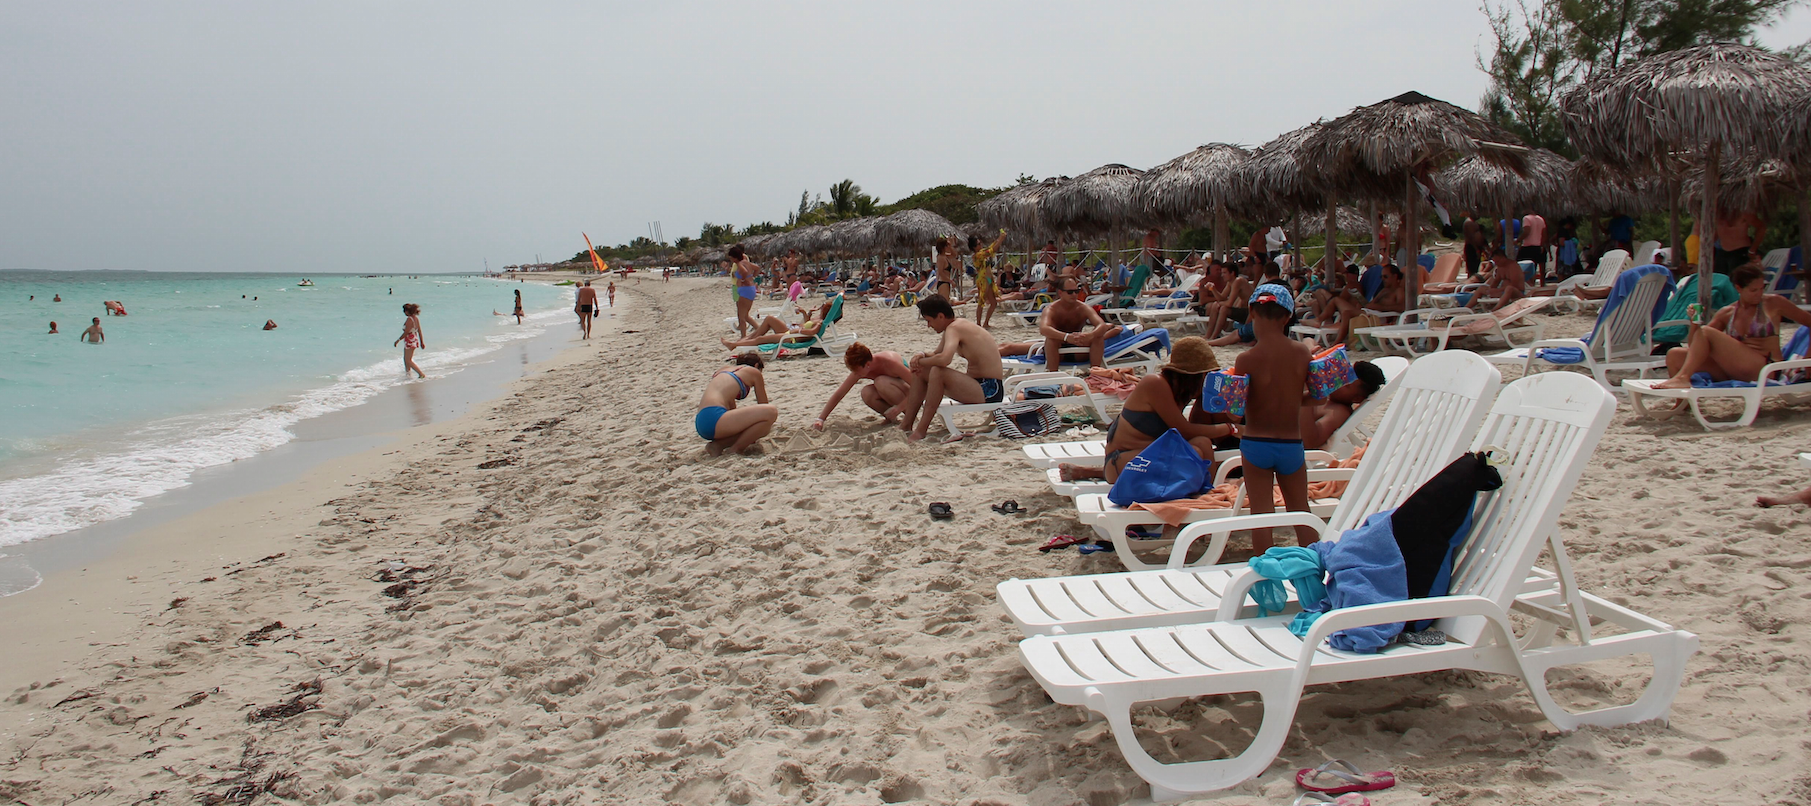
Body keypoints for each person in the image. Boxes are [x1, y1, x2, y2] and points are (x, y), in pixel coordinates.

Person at [1056, 337, 1234, 483]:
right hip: (1124, 462)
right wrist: (1231, 428)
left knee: (1202, 443)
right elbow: (1185, 431)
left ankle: (1209, 491)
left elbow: (1197, 431)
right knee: (1194, 453)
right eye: (1207, 375)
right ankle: (1096, 472)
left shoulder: (1181, 393)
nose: (1208, 379)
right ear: (1193, 376)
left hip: (1146, 457)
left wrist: (1213, 403)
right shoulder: (1155, 384)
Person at [1235, 283, 1315, 554]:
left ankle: (1264, 571)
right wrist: (1292, 399)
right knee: (1301, 511)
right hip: (1291, 444)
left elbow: (1235, 411)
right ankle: (1316, 566)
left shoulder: (1246, 359)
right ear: (1288, 317)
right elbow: (1319, 399)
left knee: (1261, 515)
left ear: (1251, 312)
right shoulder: (1302, 353)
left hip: (1256, 443)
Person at [1653, 264, 1811, 389]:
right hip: (1734, 369)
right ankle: (1682, 404)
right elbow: (1695, 346)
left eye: (1761, 288)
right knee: (1674, 354)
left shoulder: (1773, 303)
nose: (1759, 293)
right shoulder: (1727, 313)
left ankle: (1683, 377)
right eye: (1753, 290)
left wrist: (1808, 359)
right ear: (1738, 288)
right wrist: (1694, 322)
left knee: (1706, 331)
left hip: (1766, 368)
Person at [897, 295, 1004, 442]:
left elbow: (944, 360)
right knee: (920, 371)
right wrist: (920, 356)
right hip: (977, 384)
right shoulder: (954, 326)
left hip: (990, 389)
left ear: (941, 316)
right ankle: (906, 425)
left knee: (938, 372)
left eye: (929, 320)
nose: (928, 326)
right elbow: (937, 353)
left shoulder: (955, 328)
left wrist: (921, 362)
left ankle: (921, 430)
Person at [813, 342, 915, 430]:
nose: (855, 373)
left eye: (856, 370)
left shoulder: (890, 362)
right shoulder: (861, 368)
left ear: (867, 365)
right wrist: (821, 419)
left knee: (881, 382)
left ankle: (910, 417)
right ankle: (891, 418)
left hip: (909, 393)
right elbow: (840, 393)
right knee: (866, 392)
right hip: (893, 391)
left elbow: (919, 387)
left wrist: (899, 407)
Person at [696, 353, 777, 456]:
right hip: (715, 416)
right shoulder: (754, 372)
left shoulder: (724, 371)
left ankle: (718, 445)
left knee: (759, 427)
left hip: (702, 420)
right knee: (771, 413)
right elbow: (763, 404)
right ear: (756, 365)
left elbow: (731, 409)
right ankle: (736, 449)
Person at [1030, 278, 1121, 370]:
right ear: (1060, 293)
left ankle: (1096, 372)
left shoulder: (1083, 308)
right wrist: (1066, 337)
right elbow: (1044, 329)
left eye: (1076, 291)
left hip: (1078, 348)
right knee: (1051, 339)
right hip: (1058, 348)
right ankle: (1054, 374)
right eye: (1070, 292)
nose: (1074, 294)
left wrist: (1091, 335)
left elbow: (1101, 325)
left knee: (1097, 337)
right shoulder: (1052, 309)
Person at [1298, 360, 1386, 450]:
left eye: (1345, 384)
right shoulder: (1326, 396)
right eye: (1341, 375)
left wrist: (1303, 391)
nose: (1337, 380)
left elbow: (1309, 442)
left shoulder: (1339, 412)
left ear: (1357, 399)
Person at [719, 299, 833, 348]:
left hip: (791, 337)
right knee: (769, 319)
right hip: (791, 332)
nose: (820, 307)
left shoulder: (820, 322)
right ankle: (744, 341)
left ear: (825, 311)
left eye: (822, 306)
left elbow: (812, 331)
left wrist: (799, 330)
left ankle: (734, 345)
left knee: (760, 339)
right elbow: (807, 324)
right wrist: (807, 313)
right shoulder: (818, 319)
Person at [970, 229, 1006, 327]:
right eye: (978, 244)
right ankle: (978, 324)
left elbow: (991, 247)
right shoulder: (978, 255)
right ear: (974, 247)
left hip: (989, 279)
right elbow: (991, 250)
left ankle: (986, 323)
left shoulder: (981, 252)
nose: (980, 244)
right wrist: (1000, 239)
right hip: (983, 280)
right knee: (981, 301)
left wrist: (999, 239)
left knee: (993, 303)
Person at [1713, 210, 1766, 276]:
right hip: (1722, 252)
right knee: (1718, 279)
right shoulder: (1718, 213)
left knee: (1737, 278)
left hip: (1740, 251)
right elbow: (1719, 230)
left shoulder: (1743, 212)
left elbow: (1761, 227)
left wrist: (1753, 250)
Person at [1481, 246, 1526, 311]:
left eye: (1497, 261)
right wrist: (1490, 289)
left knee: (1509, 288)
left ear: (1503, 258)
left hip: (1517, 292)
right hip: (1503, 292)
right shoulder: (1500, 267)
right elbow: (1496, 281)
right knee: (1482, 288)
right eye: (1495, 262)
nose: (1496, 264)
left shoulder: (1513, 266)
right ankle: (1467, 308)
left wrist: (1498, 290)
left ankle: (1495, 310)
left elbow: (1514, 284)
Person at [729, 244, 760, 337]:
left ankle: (743, 337)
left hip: (745, 290)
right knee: (745, 316)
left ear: (734, 257)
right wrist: (752, 277)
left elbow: (745, 272)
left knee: (741, 317)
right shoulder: (746, 262)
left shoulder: (740, 264)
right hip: (750, 289)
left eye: (731, 257)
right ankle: (760, 331)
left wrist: (743, 279)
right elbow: (757, 268)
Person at [393, 303, 425, 378]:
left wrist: (398, 340)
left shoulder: (409, 319)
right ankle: (408, 375)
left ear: (407, 311)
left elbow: (406, 332)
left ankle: (421, 374)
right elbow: (419, 331)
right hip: (414, 339)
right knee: (406, 359)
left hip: (410, 340)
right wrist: (421, 342)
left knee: (408, 360)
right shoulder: (415, 318)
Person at [1518, 209, 1547, 274]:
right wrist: (1542, 245)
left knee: (1524, 267)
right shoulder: (1541, 219)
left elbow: (1527, 231)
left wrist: (1518, 240)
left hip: (1528, 247)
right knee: (1537, 268)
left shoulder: (1526, 218)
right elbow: (1544, 234)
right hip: (1538, 246)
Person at [1462, 212, 1486, 278]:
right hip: (1472, 248)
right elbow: (1471, 237)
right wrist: (1476, 249)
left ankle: (1473, 280)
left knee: (1475, 267)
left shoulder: (1473, 222)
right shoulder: (1469, 223)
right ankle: (1471, 281)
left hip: (1475, 247)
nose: (1478, 215)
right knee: (1472, 269)